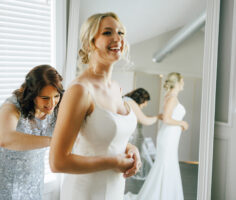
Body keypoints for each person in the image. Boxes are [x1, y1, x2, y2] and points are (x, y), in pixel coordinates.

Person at [49, 12, 143, 200]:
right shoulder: (79, 90)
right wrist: (113, 161)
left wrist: (131, 149)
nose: (117, 38)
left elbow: (104, 138)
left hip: (115, 190)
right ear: (89, 42)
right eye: (107, 33)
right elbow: (58, 162)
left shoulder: (117, 88)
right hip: (85, 192)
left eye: (121, 33)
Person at [0, 65, 64, 200]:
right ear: (32, 95)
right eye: (45, 98)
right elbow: (5, 139)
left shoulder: (57, 107)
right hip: (7, 174)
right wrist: (54, 141)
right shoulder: (11, 107)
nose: (52, 103)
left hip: (34, 173)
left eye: (56, 96)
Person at [125, 72, 188, 200]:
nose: (183, 84)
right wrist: (182, 123)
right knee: (165, 164)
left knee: (168, 163)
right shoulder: (172, 98)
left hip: (170, 135)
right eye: (182, 81)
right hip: (168, 136)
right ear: (178, 83)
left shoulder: (170, 97)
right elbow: (166, 118)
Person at [124, 88, 162, 180]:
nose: (145, 105)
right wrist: (157, 117)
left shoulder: (126, 100)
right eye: (145, 102)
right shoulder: (131, 102)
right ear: (142, 99)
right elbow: (145, 120)